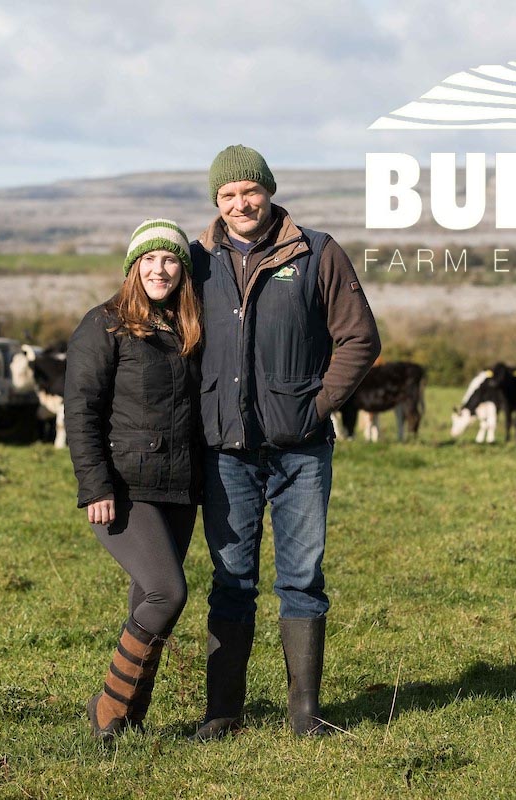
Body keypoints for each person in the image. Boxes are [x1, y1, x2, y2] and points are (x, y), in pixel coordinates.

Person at [190, 145, 381, 738]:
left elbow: (360, 339)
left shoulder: (317, 252)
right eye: (228, 195)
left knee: (302, 578)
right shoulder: (195, 261)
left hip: (301, 451)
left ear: (269, 192)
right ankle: (223, 714)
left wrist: (315, 408)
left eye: (250, 191)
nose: (241, 204)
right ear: (216, 202)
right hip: (225, 450)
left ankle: (305, 715)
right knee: (230, 580)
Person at [64, 218, 203, 740]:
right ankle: (107, 704)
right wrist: (95, 486)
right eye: (149, 259)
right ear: (133, 266)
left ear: (181, 270)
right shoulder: (103, 324)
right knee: (169, 593)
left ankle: (127, 719)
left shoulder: (188, 326)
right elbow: (81, 410)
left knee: (147, 598)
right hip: (124, 487)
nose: (159, 269)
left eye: (169, 259)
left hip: (179, 488)